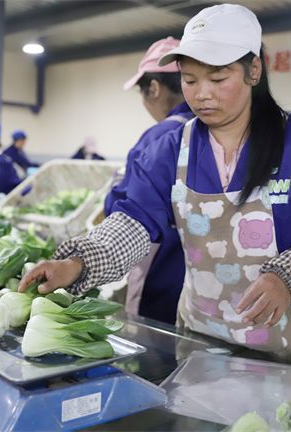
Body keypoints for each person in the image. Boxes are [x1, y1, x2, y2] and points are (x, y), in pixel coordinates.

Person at [20, 4, 291, 367]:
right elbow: (132, 223)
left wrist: (290, 278)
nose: (201, 94)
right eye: (190, 80)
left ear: (254, 70)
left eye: (218, 79)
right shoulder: (169, 151)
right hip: (201, 344)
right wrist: (78, 263)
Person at [104, 36, 194, 324]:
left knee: (157, 355)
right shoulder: (215, 132)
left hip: (161, 273)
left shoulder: (158, 139)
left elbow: (122, 206)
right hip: (211, 287)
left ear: (154, 88)